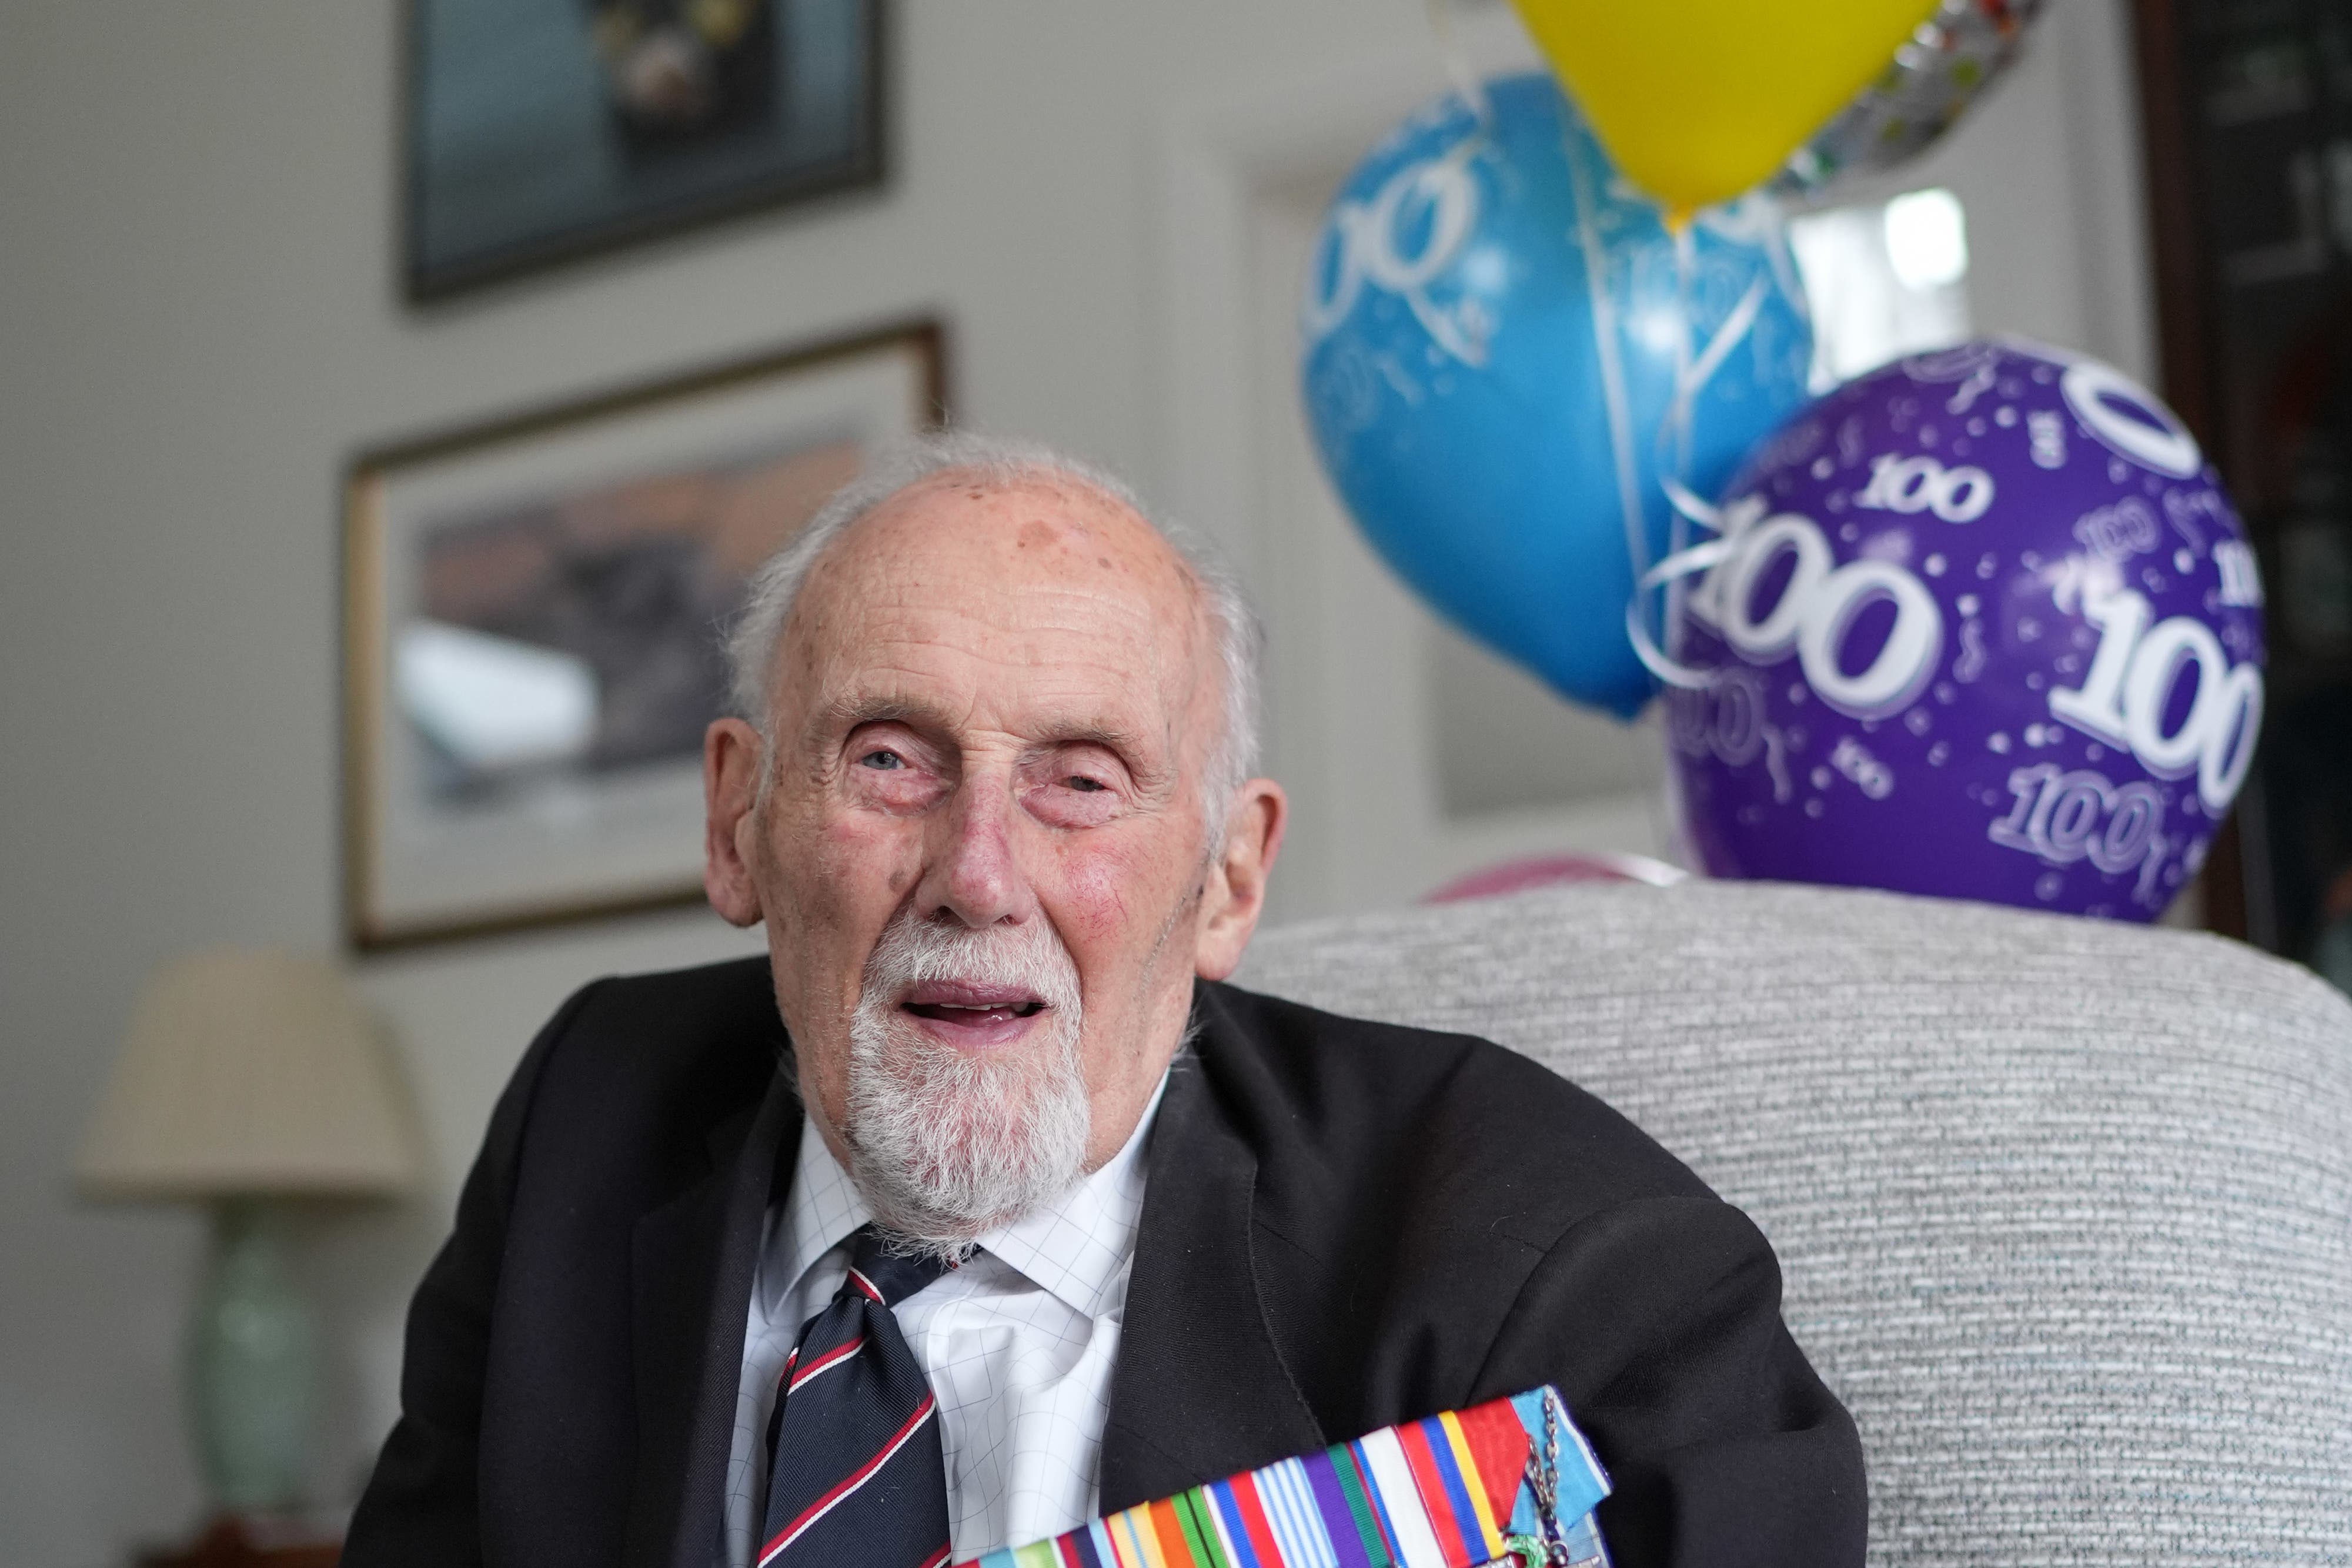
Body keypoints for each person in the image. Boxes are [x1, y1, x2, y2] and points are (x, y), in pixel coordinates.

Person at [345, 435, 1866, 1568]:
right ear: (738, 819)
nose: (979, 873)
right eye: (888, 756)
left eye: (1082, 780)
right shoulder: (587, 1113)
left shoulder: (1561, 1262)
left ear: (1227, 879)